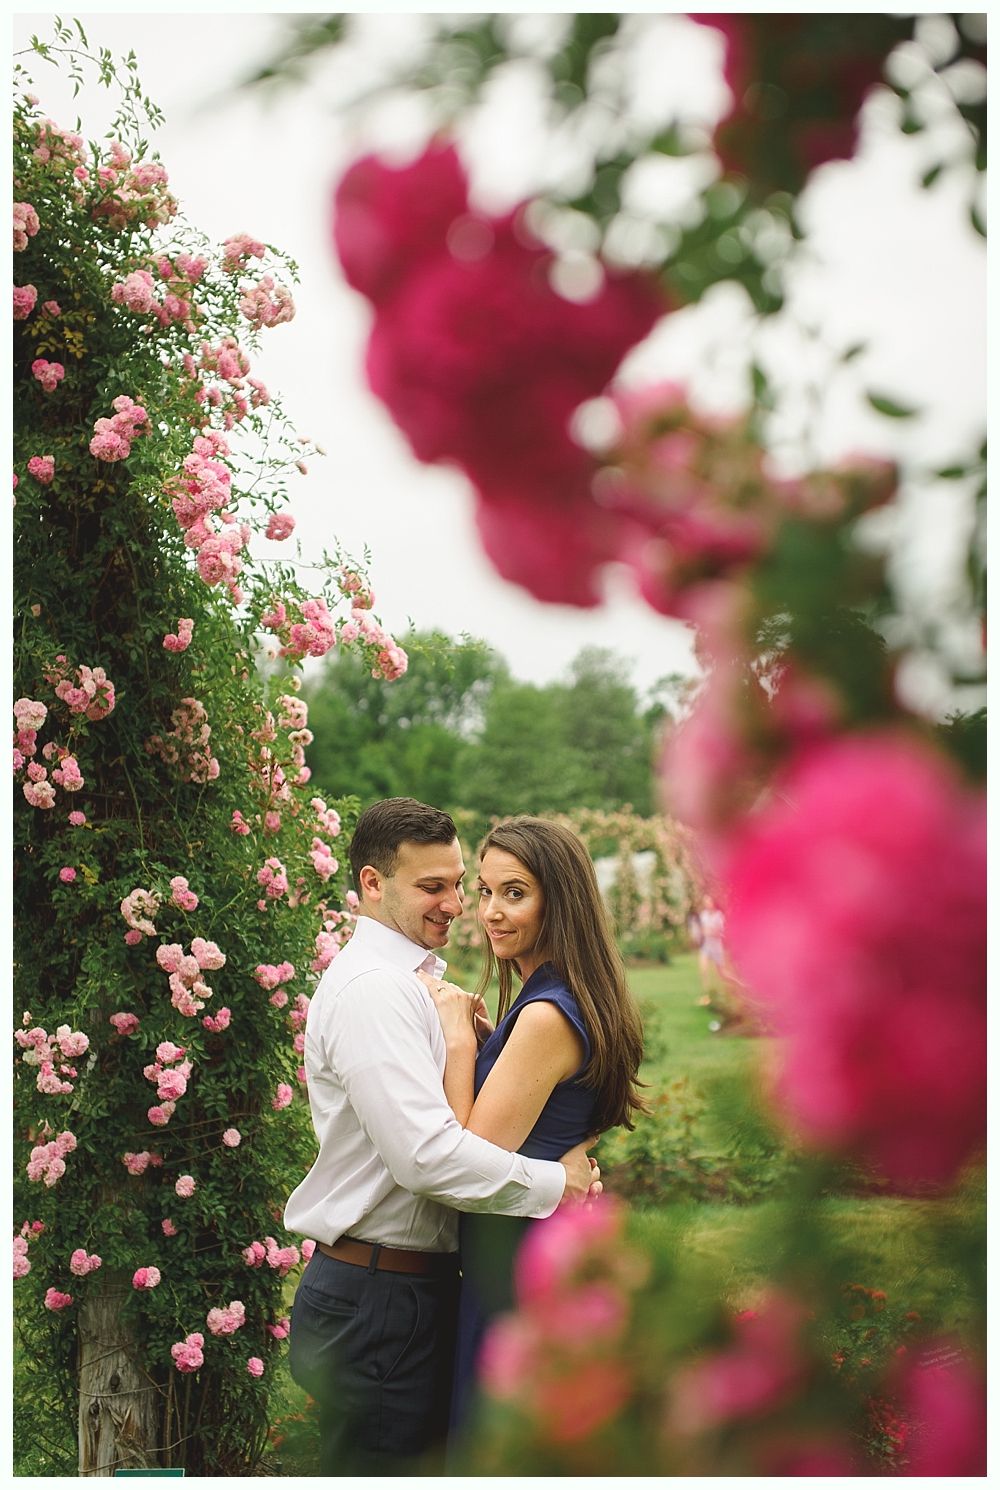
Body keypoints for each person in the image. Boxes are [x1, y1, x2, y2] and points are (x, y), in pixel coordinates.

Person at [283, 798, 598, 1476]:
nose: (458, 905)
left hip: (405, 1290)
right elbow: (426, 1158)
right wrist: (557, 1182)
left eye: (460, 884)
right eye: (435, 887)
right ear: (373, 884)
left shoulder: (418, 983)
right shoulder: (376, 991)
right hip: (380, 1297)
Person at [420, 815, 647, 1441]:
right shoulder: (557, 996)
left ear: (560, 901)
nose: (490, 911)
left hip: (517, 1268)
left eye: (514, 893)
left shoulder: (547, 1013)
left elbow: (472, 1153)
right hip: (537, 1251)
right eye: (486, 891)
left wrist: (459, 1038)